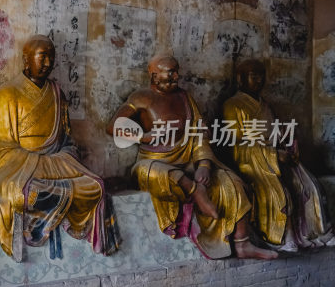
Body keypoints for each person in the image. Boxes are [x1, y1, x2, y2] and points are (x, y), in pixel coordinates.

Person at [106, 55, 276, 260]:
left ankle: (243, 243)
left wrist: (204, 163)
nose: (176, 76)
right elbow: (113, 126)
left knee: (231, 181)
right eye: (171, 72)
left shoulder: (185, 98)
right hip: (154, 161)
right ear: (154, 75)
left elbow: (200, 132)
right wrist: (143, 136)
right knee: (148, 172)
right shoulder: (141, 97)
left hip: (188, 160)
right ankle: (195, 191)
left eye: (177, 71)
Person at [0, 35, 118, 262]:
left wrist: (61, 159)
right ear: (26, 60)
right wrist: (44, 164)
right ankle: (50, 206)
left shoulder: (58, 93)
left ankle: (60, 200)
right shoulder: (8, 92)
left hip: (57, 165)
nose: (48, 63)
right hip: (23, 170)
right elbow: (3, 149)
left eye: (52, 58)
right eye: (42, 57)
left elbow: (68, 142)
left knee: (96, 187)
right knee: (21, 195)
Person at [223, 59, 333, 250]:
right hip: (253, 162)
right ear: (240, 79)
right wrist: (272, 155)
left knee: (309, 186)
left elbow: (275, 132)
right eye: (254, 76)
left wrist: (287, 141)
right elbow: (236, 146)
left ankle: (316, 232)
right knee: (278, 192)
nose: (259, 80)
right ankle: (283, 236)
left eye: (262, 76)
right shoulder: (233, 106)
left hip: (273, 156)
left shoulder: (265, 105)